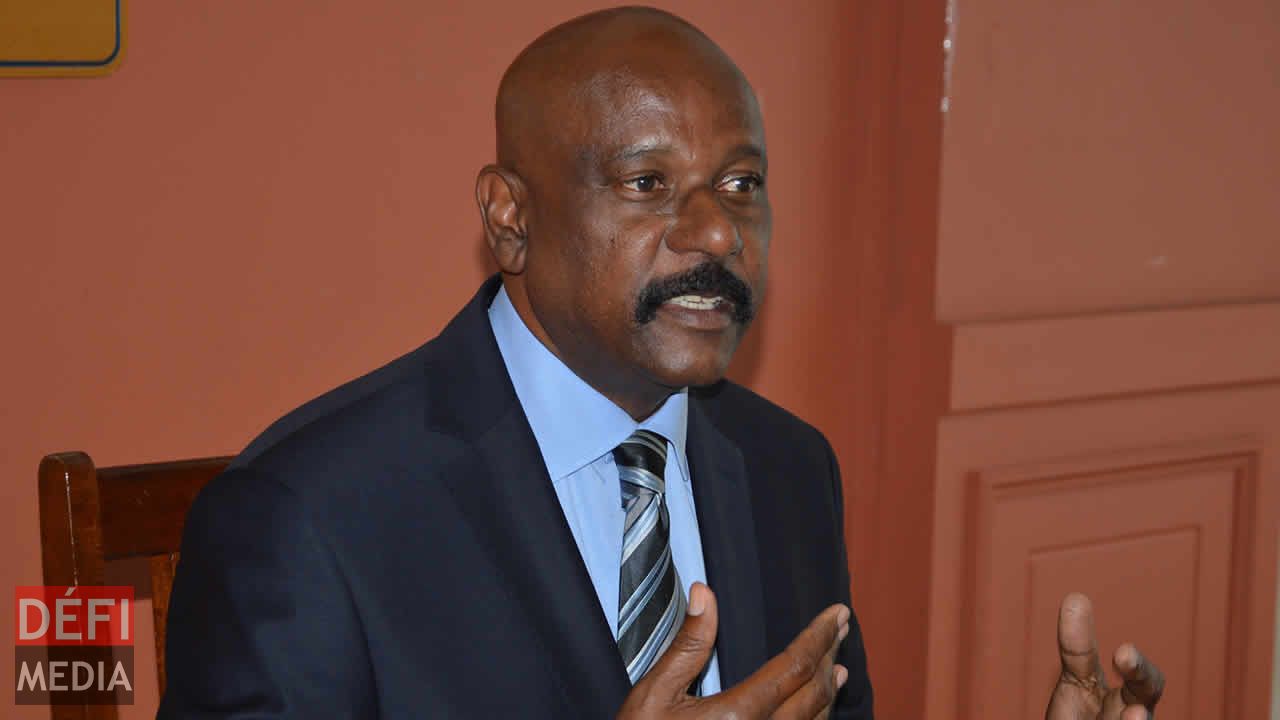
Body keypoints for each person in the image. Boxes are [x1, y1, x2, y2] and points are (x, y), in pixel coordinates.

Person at [159, 7, 1164, 719]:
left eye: (741, 183)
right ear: (510, 217)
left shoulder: (787, 468)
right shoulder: (308, 518)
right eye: (647, 183)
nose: (717, 233)